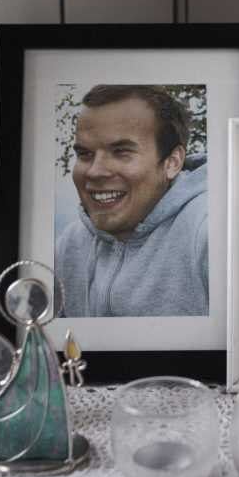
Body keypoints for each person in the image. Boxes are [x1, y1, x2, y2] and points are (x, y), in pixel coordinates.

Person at [54, 84, 208, 317]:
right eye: (85, 154)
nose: (95, 172)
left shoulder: (208, 231)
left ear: (172, 162)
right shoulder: (70, 244)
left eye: (121, 151)